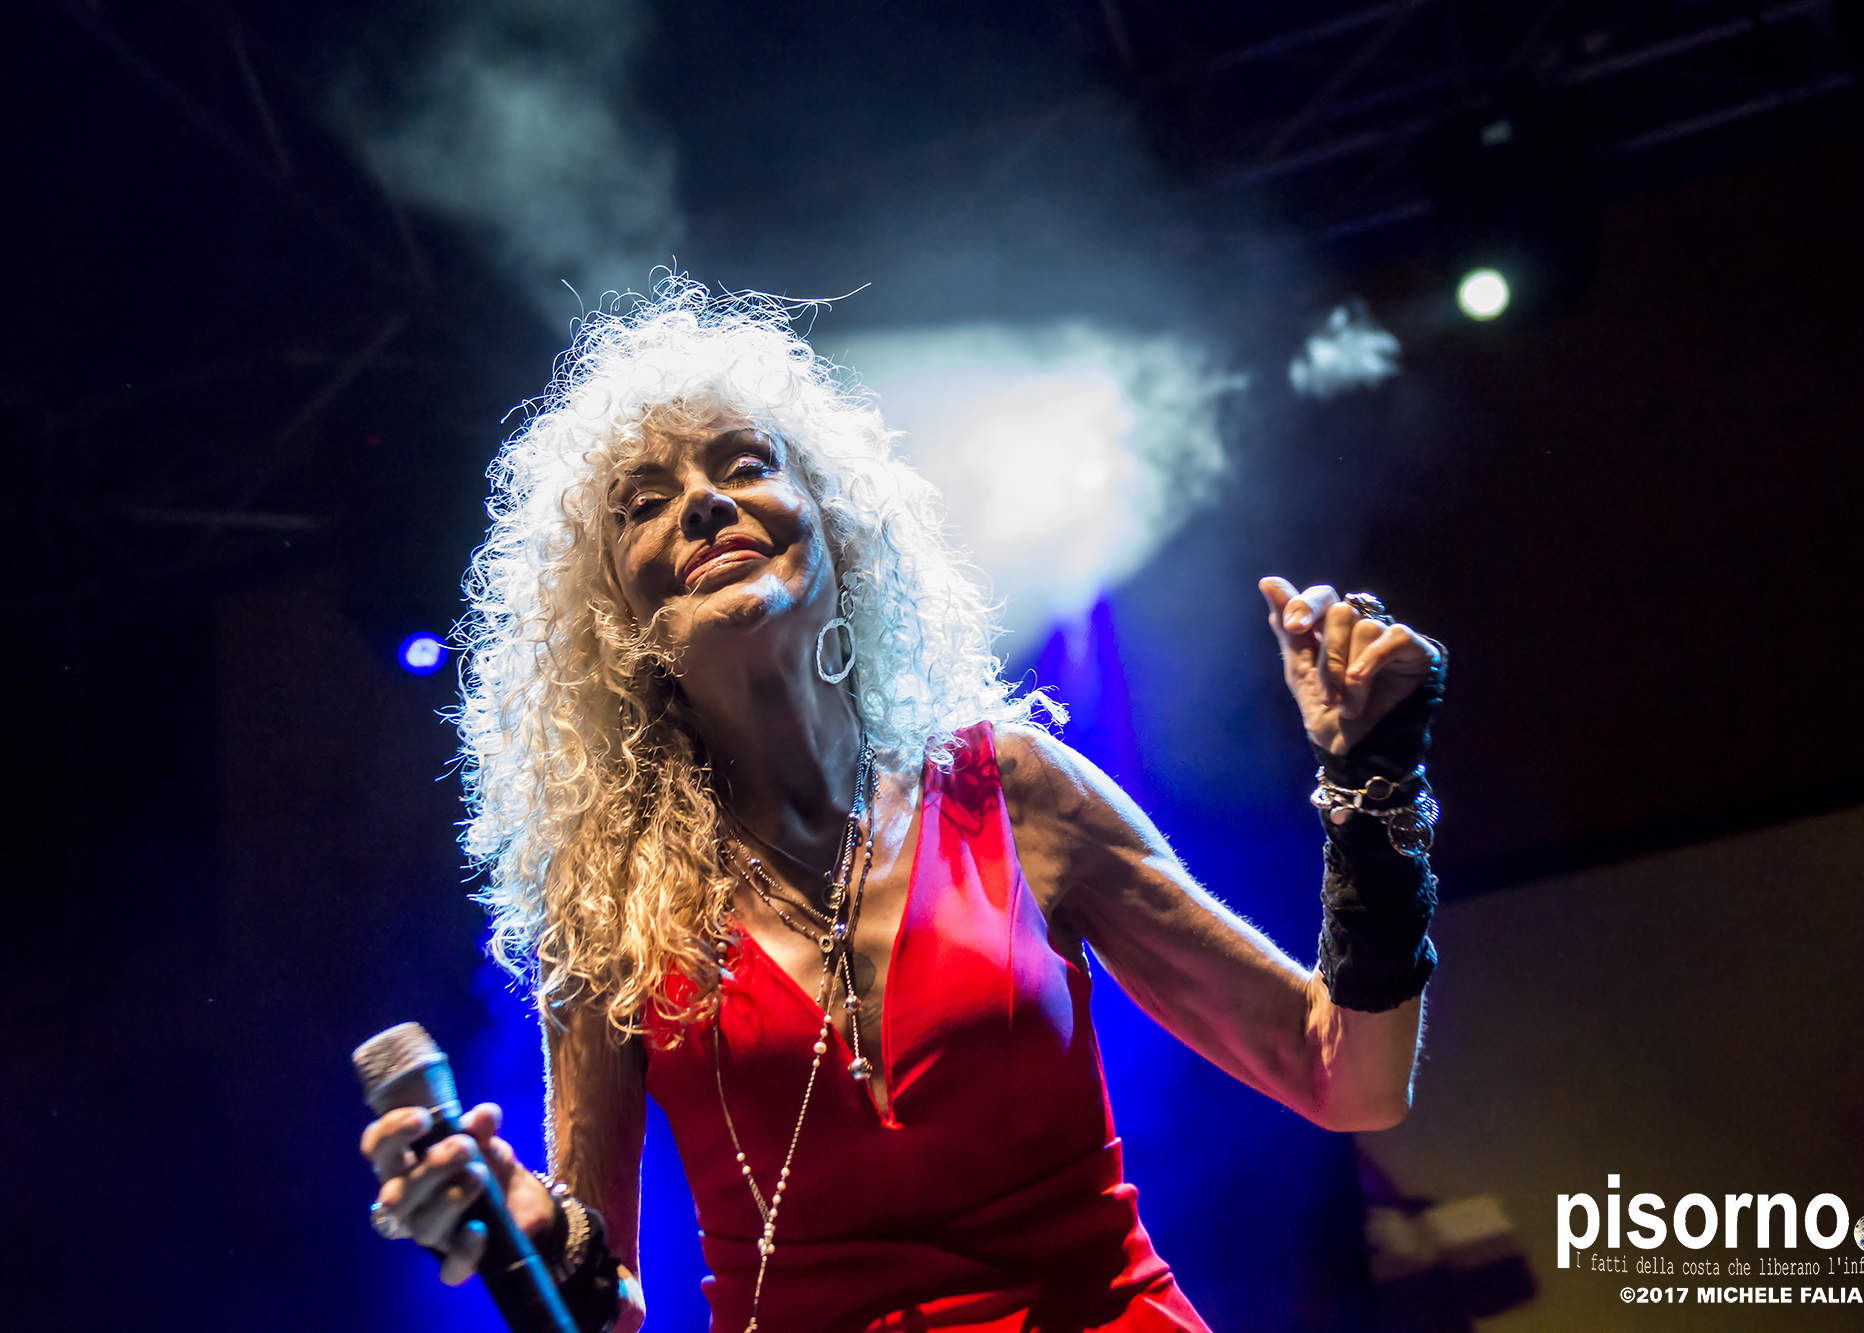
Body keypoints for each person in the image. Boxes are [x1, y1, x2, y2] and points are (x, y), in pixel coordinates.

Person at [359, 281, 1444, 1333]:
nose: (704, 502)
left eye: (747, 464)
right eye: (645, 505)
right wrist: (530, 1234)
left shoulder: (1013, 790)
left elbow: (1346, 1079)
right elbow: (606, 1311)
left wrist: (1374, 787)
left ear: (836, 528)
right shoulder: (609, 909)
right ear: (614, 619)